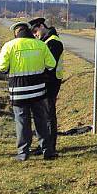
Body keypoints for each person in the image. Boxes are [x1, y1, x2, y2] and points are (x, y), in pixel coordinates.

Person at [0, 21, 57, 161]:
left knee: (22, 122)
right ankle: (47, 151)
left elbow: (2, 67)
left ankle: (23, 153)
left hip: (19, 92)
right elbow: (51, 65)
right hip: (38, 91)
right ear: (29, 31)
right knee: (41, 120)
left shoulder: (9, 46)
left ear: (15, 33)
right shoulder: (40, 45)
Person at [29, 17, 64, 153]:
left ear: (42, 26)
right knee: (44, 114)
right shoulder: (47, 41)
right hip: (48, 81)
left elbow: (49, 64)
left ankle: (49, 146)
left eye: (36, 31)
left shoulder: (53, 42)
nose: (35, 35)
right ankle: (44, 144)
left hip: (51, 81)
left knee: (49, 114)